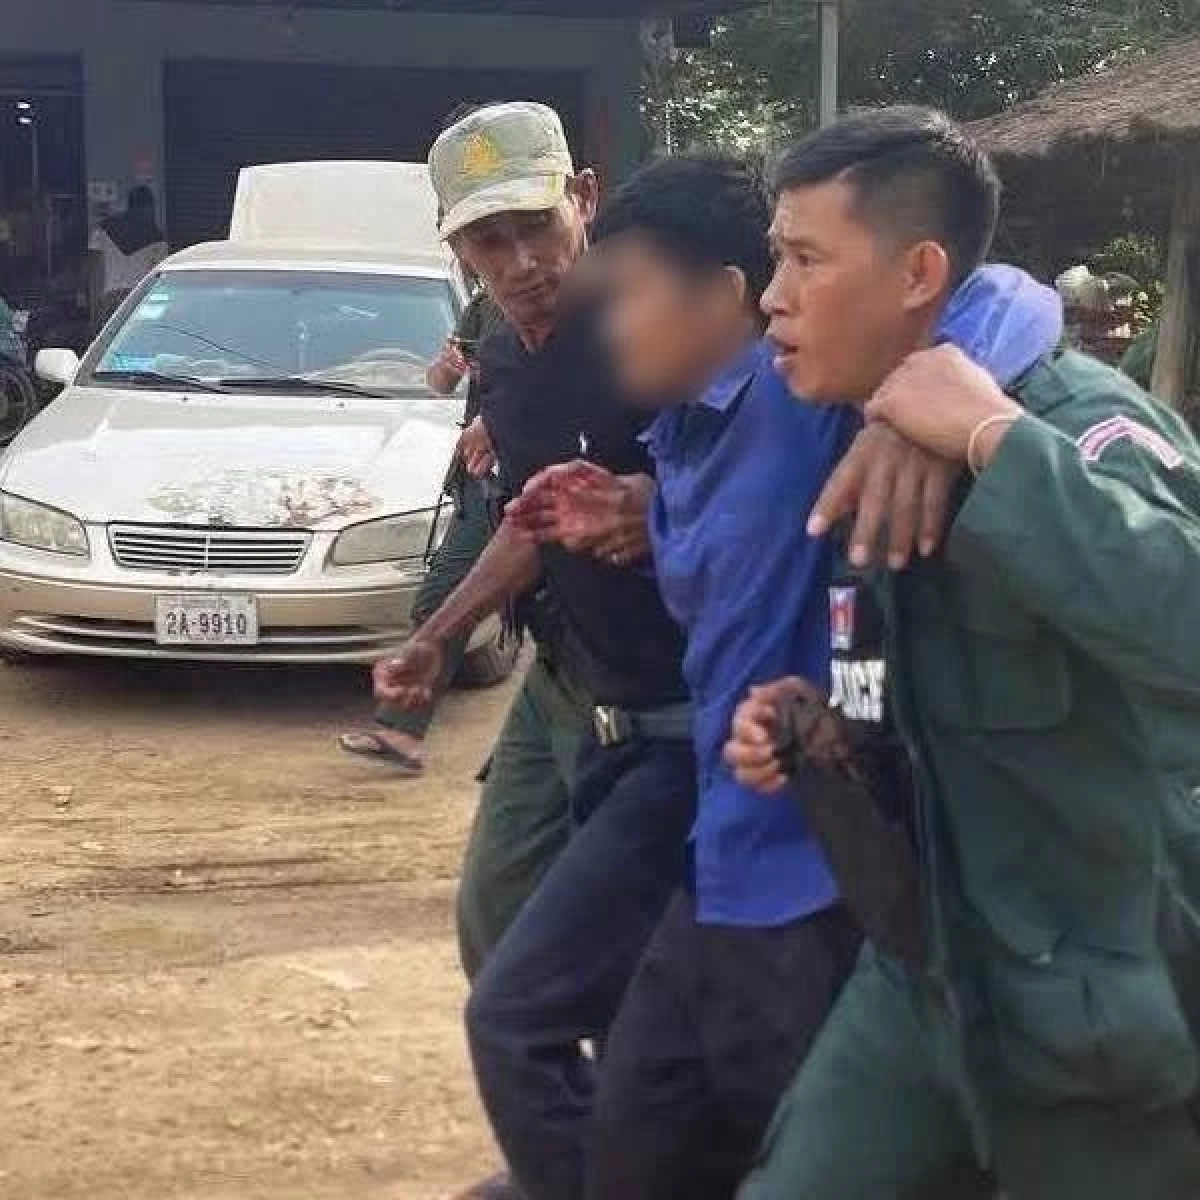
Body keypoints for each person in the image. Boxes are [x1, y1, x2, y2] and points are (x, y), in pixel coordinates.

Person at [509, 157, 1062, 1200]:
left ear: (724, 295)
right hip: (717, 866)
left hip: (821, 889)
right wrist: (637, 519)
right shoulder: (673, 443)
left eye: (626, 294)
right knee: (632, 1150)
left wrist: (915, 415)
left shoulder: (803, 397)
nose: (607, 328)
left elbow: (1006, 295)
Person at [726, 105, 1200, 1199]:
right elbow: (925, 704)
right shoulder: (865, 441)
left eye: (806, 260)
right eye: (775, 258)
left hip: (1101, 1017)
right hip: (930, 973)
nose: (773, 296)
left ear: (918, 273)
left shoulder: (1077, 429)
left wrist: (998, 443)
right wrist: (819, 725)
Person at [376, 101, 698, 1200]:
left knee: (612, 980)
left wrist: (658, 507)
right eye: (487, 240)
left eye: (534, 226)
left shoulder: (657, 332)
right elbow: (531, 519)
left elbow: (762, 464)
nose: (520, 263)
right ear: (457, 247)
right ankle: (598, 1155)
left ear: (584, 198)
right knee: (499, 928)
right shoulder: (505, 359)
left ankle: (624, 1164)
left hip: (672, 709)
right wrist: (437, 636)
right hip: (562, 683)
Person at [339, 283, 506, 775]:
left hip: (526, 478)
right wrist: (448, 368)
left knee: (451, 600)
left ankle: (403, 730)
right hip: (481, 484)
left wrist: (499, 419)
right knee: (442, 599)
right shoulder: (485, 303)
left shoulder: (573, 299)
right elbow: (440, 383)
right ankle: (401, 729)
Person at [89, 185, 167, 328]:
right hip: (139, 298)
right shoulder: (156, 237)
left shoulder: (103, 229)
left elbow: (94, 268)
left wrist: (94, 306)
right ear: (149, 208)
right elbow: (160, 276)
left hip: (110, 298)